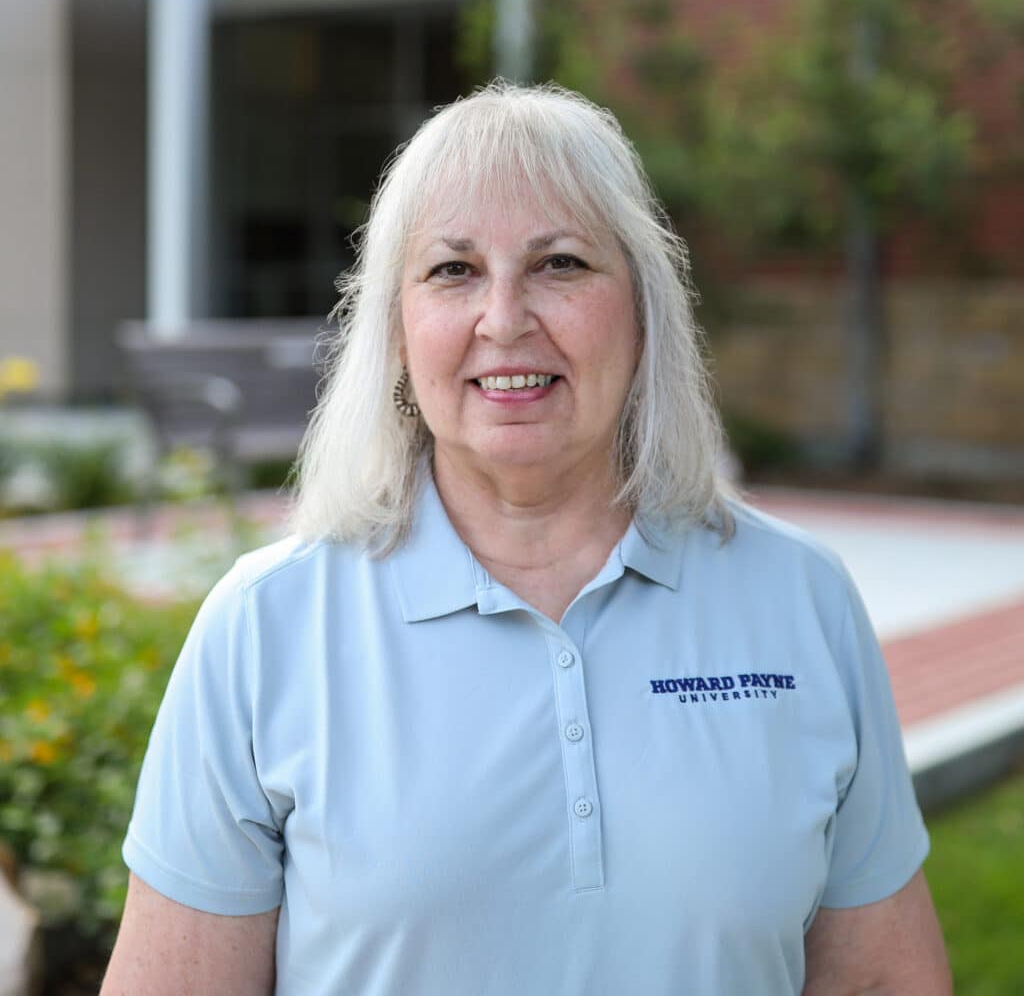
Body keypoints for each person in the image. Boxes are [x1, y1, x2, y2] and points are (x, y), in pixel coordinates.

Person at [101, 81, 951, 995]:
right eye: (453, 271)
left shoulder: (801, 599)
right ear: (396, 333)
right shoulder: (264, 627)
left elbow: (881, 981)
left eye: (561, 264)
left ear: (643, 312)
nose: (504, 319)